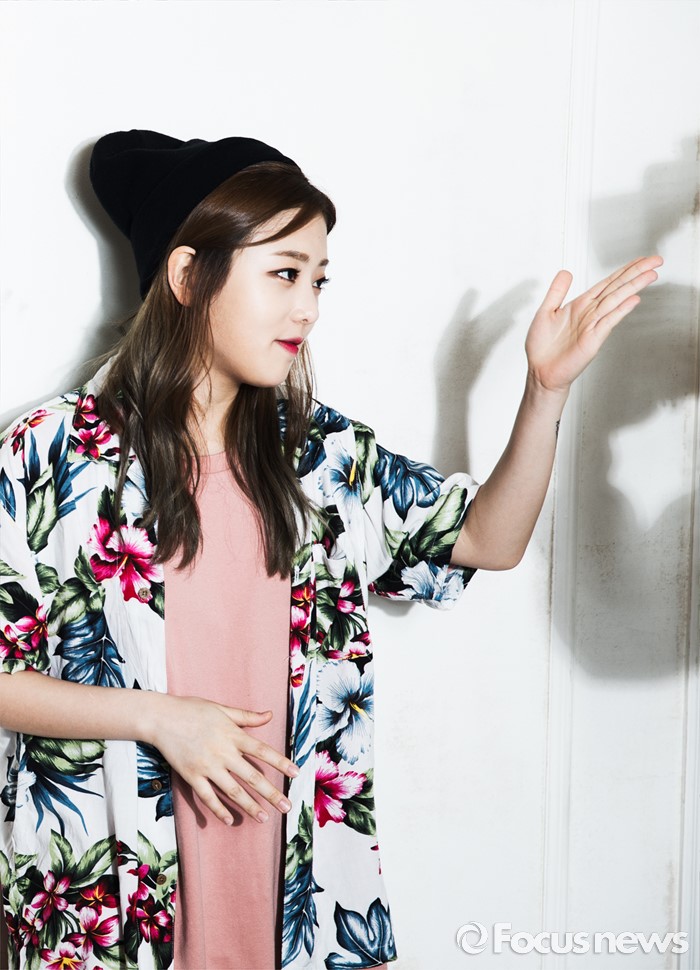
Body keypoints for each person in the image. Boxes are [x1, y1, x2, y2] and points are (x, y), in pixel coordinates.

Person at [0, 130, 661, 970]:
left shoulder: (320, 455)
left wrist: (544, 391)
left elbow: (486, 541)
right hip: (112, 912)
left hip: (299, 908)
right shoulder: (52, 454)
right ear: (188, 275)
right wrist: (159, 718)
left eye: (318, 280)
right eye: (284, 273)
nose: (308, 308)